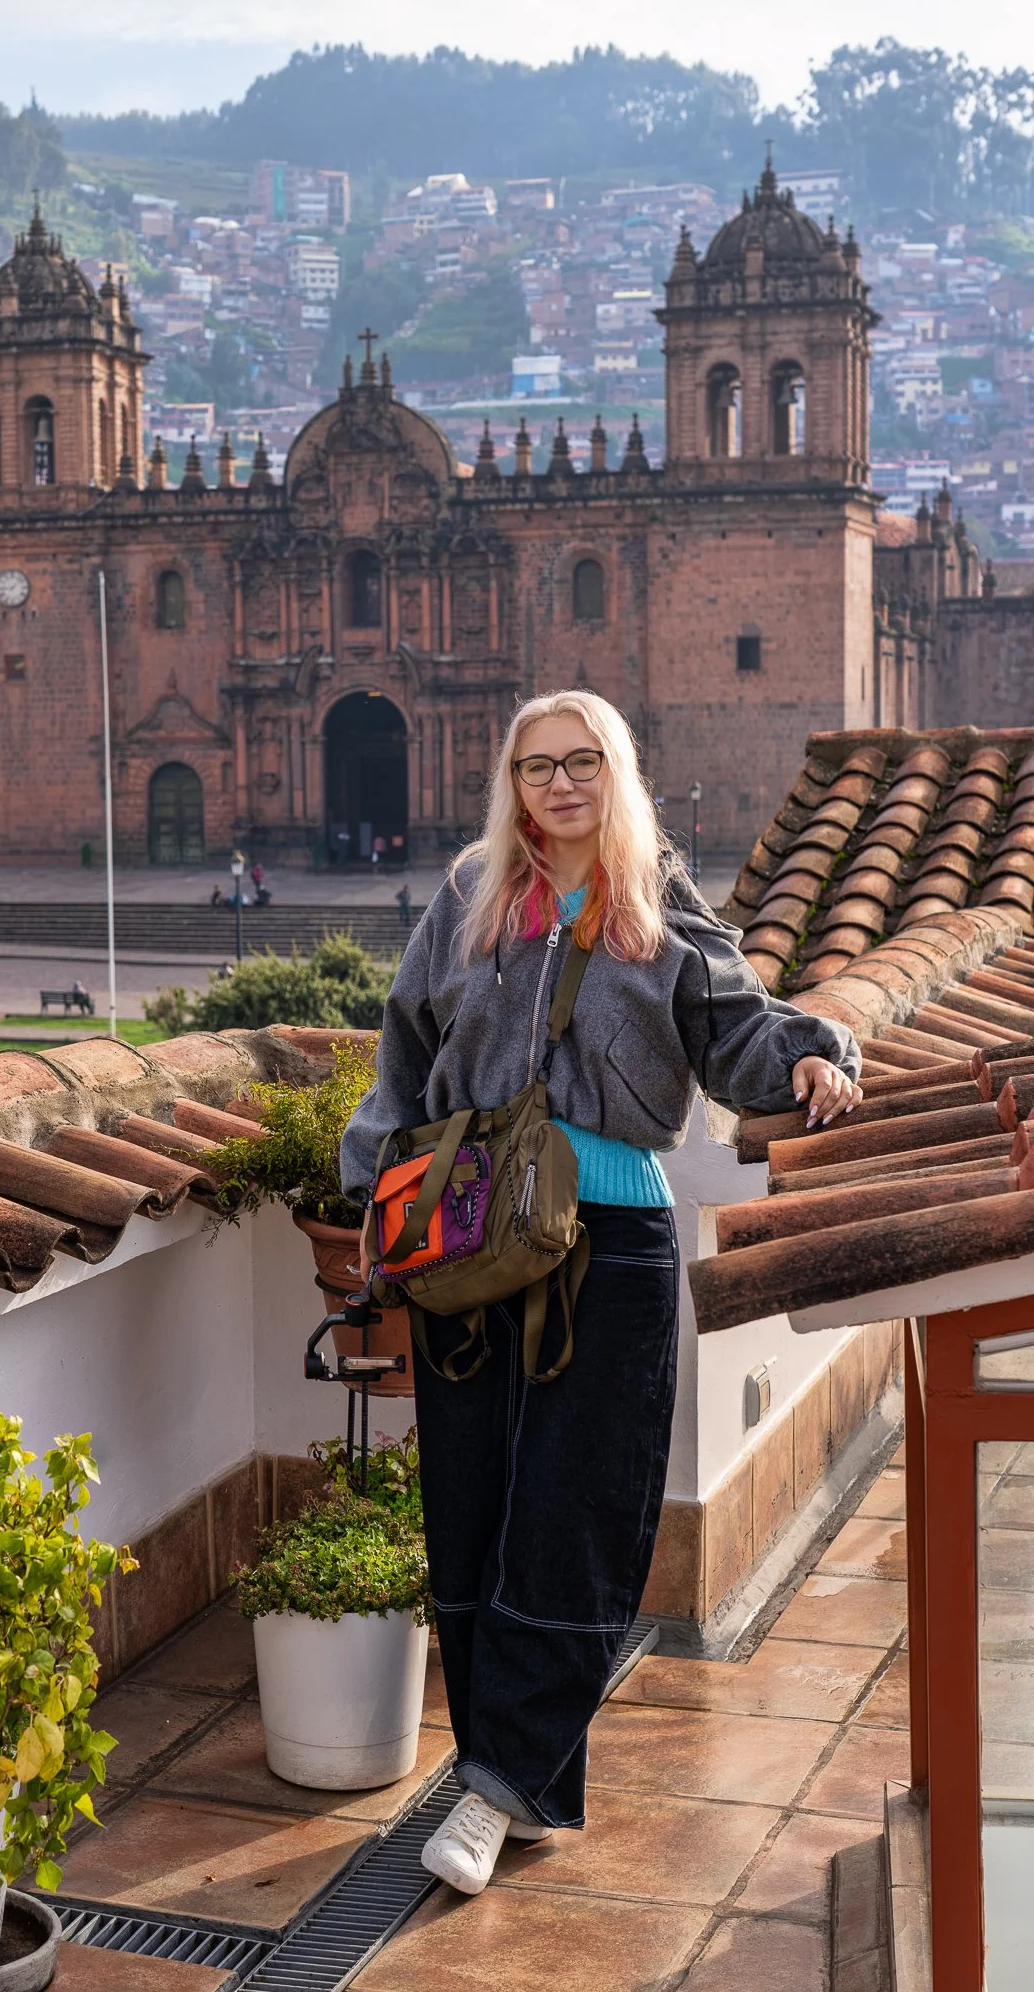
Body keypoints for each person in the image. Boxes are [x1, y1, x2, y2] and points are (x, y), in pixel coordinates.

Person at [339, 688, 861, 1898]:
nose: (559, 786)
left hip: (611, 1234)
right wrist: (374, 1186)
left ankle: (492, 1792)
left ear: (616, 773)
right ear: (510, 782)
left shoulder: (661, 905)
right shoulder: (468, 899)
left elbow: (736, 1038)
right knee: (471, 1503)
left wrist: (816, 1050)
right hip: (466, 1237)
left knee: (576, 1510)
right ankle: (505, 1769)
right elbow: (403, 1053)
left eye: (581, 763)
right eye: (536, 767)